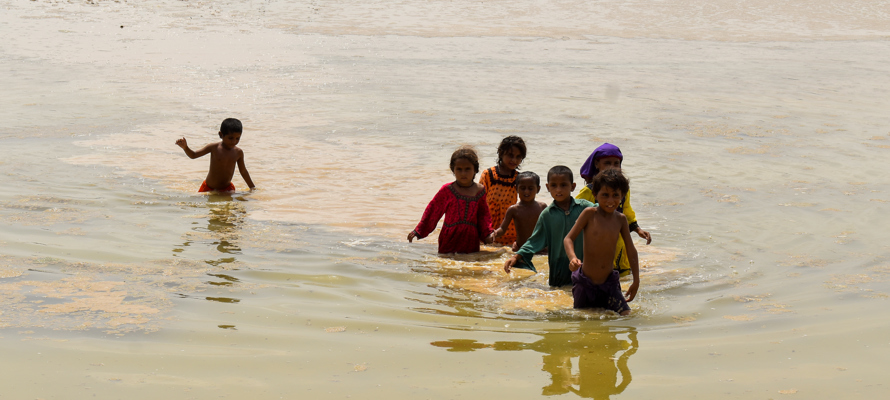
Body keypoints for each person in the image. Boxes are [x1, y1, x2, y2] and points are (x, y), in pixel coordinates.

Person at [564, 169, 640, 315]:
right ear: (595, 195)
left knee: (627, 317)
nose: (610, 200)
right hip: (585, 283)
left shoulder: (621, 219)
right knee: (583, 321)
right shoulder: (589, 214)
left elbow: (631, 250)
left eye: (615, 195)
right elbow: (568, 238)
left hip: (609, 284)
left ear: (622, 196)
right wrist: (573, 258)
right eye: (605, 195)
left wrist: (636, 281)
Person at [503, 166, 595, 287]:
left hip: (583, 267)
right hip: (558, 272)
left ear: (572, 187)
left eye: (563, 185)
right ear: (547, 187)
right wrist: (516, 257)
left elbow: (605, 213)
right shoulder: (547, 214)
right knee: (559, 298)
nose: (558, 190)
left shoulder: (584, 208)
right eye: (554, 186)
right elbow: (534, 240)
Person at [577, 143, 650, 276]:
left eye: (616, 163)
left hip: (618, 238)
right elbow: (575, 209)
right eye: (607, 163)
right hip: (596, 241)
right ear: (597, 164)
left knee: (620, 275)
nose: (613, 167)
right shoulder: (589, 190)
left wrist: (637, 229)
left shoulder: (623, 190)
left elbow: (627, 211)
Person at [408, 146, 494, 254]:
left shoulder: (479, 190)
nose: (463, 173)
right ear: (453, 169)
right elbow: (433, 211)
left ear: (475, 169)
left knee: (469, 266)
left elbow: (483, 215)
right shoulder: (447, 190)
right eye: (459, 169)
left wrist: (488, 233)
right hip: (450, 237)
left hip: (470, 238)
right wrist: (419, 230)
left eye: (467, 169)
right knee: (447, 265)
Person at [175, 118, 256, 192]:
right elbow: (193, 155)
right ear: (221, 135)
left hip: (227, 189)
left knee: (232, 207)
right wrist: (185, 147)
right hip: (208, 187)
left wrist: (252, 188)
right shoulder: (213, 148)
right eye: (230, 138)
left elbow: (243, 171)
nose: (234, 141)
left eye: (237, 138)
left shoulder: (238, 152)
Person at [479, 136, 526, 247]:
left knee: (506, 254)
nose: (514, 160)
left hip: (510, 228)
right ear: (501, 152)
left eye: (518, 157)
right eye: (510, 155)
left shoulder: (518, 178)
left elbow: (525, 201)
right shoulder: (488, 175)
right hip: (489, 224)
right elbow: (479, 200)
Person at [489, 171, 547, 251]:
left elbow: (550, 227)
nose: (526, 191)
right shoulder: (514, 209)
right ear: (516, 189)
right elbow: (502, 229)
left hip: (540, 249)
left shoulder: (542, 207)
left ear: (538, 189)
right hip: (521, 249)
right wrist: (494, 234)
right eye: (523, 188)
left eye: (530, 188)